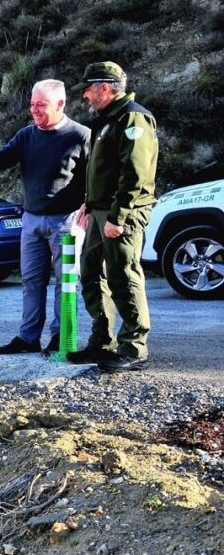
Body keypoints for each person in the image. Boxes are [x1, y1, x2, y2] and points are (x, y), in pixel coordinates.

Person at [0, 79, 91, 355]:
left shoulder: (81, 135)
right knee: (31, 281)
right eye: (32, 104)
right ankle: (28, 338)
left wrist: (90, 204)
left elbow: (96, 175)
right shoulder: (27, 135)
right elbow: (0, 161)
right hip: (31, 221)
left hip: (66, 221)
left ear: (60, 104)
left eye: (41, 104)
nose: (34, 110)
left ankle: (60, 338)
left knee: (65, 282)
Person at [67, 62, 158, 372]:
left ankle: (134, 347)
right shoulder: (107, 120)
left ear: (104, 88)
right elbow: (103, 172)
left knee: (123, 274)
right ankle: (102, 341)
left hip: (124, 212)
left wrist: (118, 218)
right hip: (100, 211)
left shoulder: (132, 117)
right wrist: (89, 204)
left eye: (89, 89)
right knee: (90, 272)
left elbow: (135, 175)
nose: (86, 96)